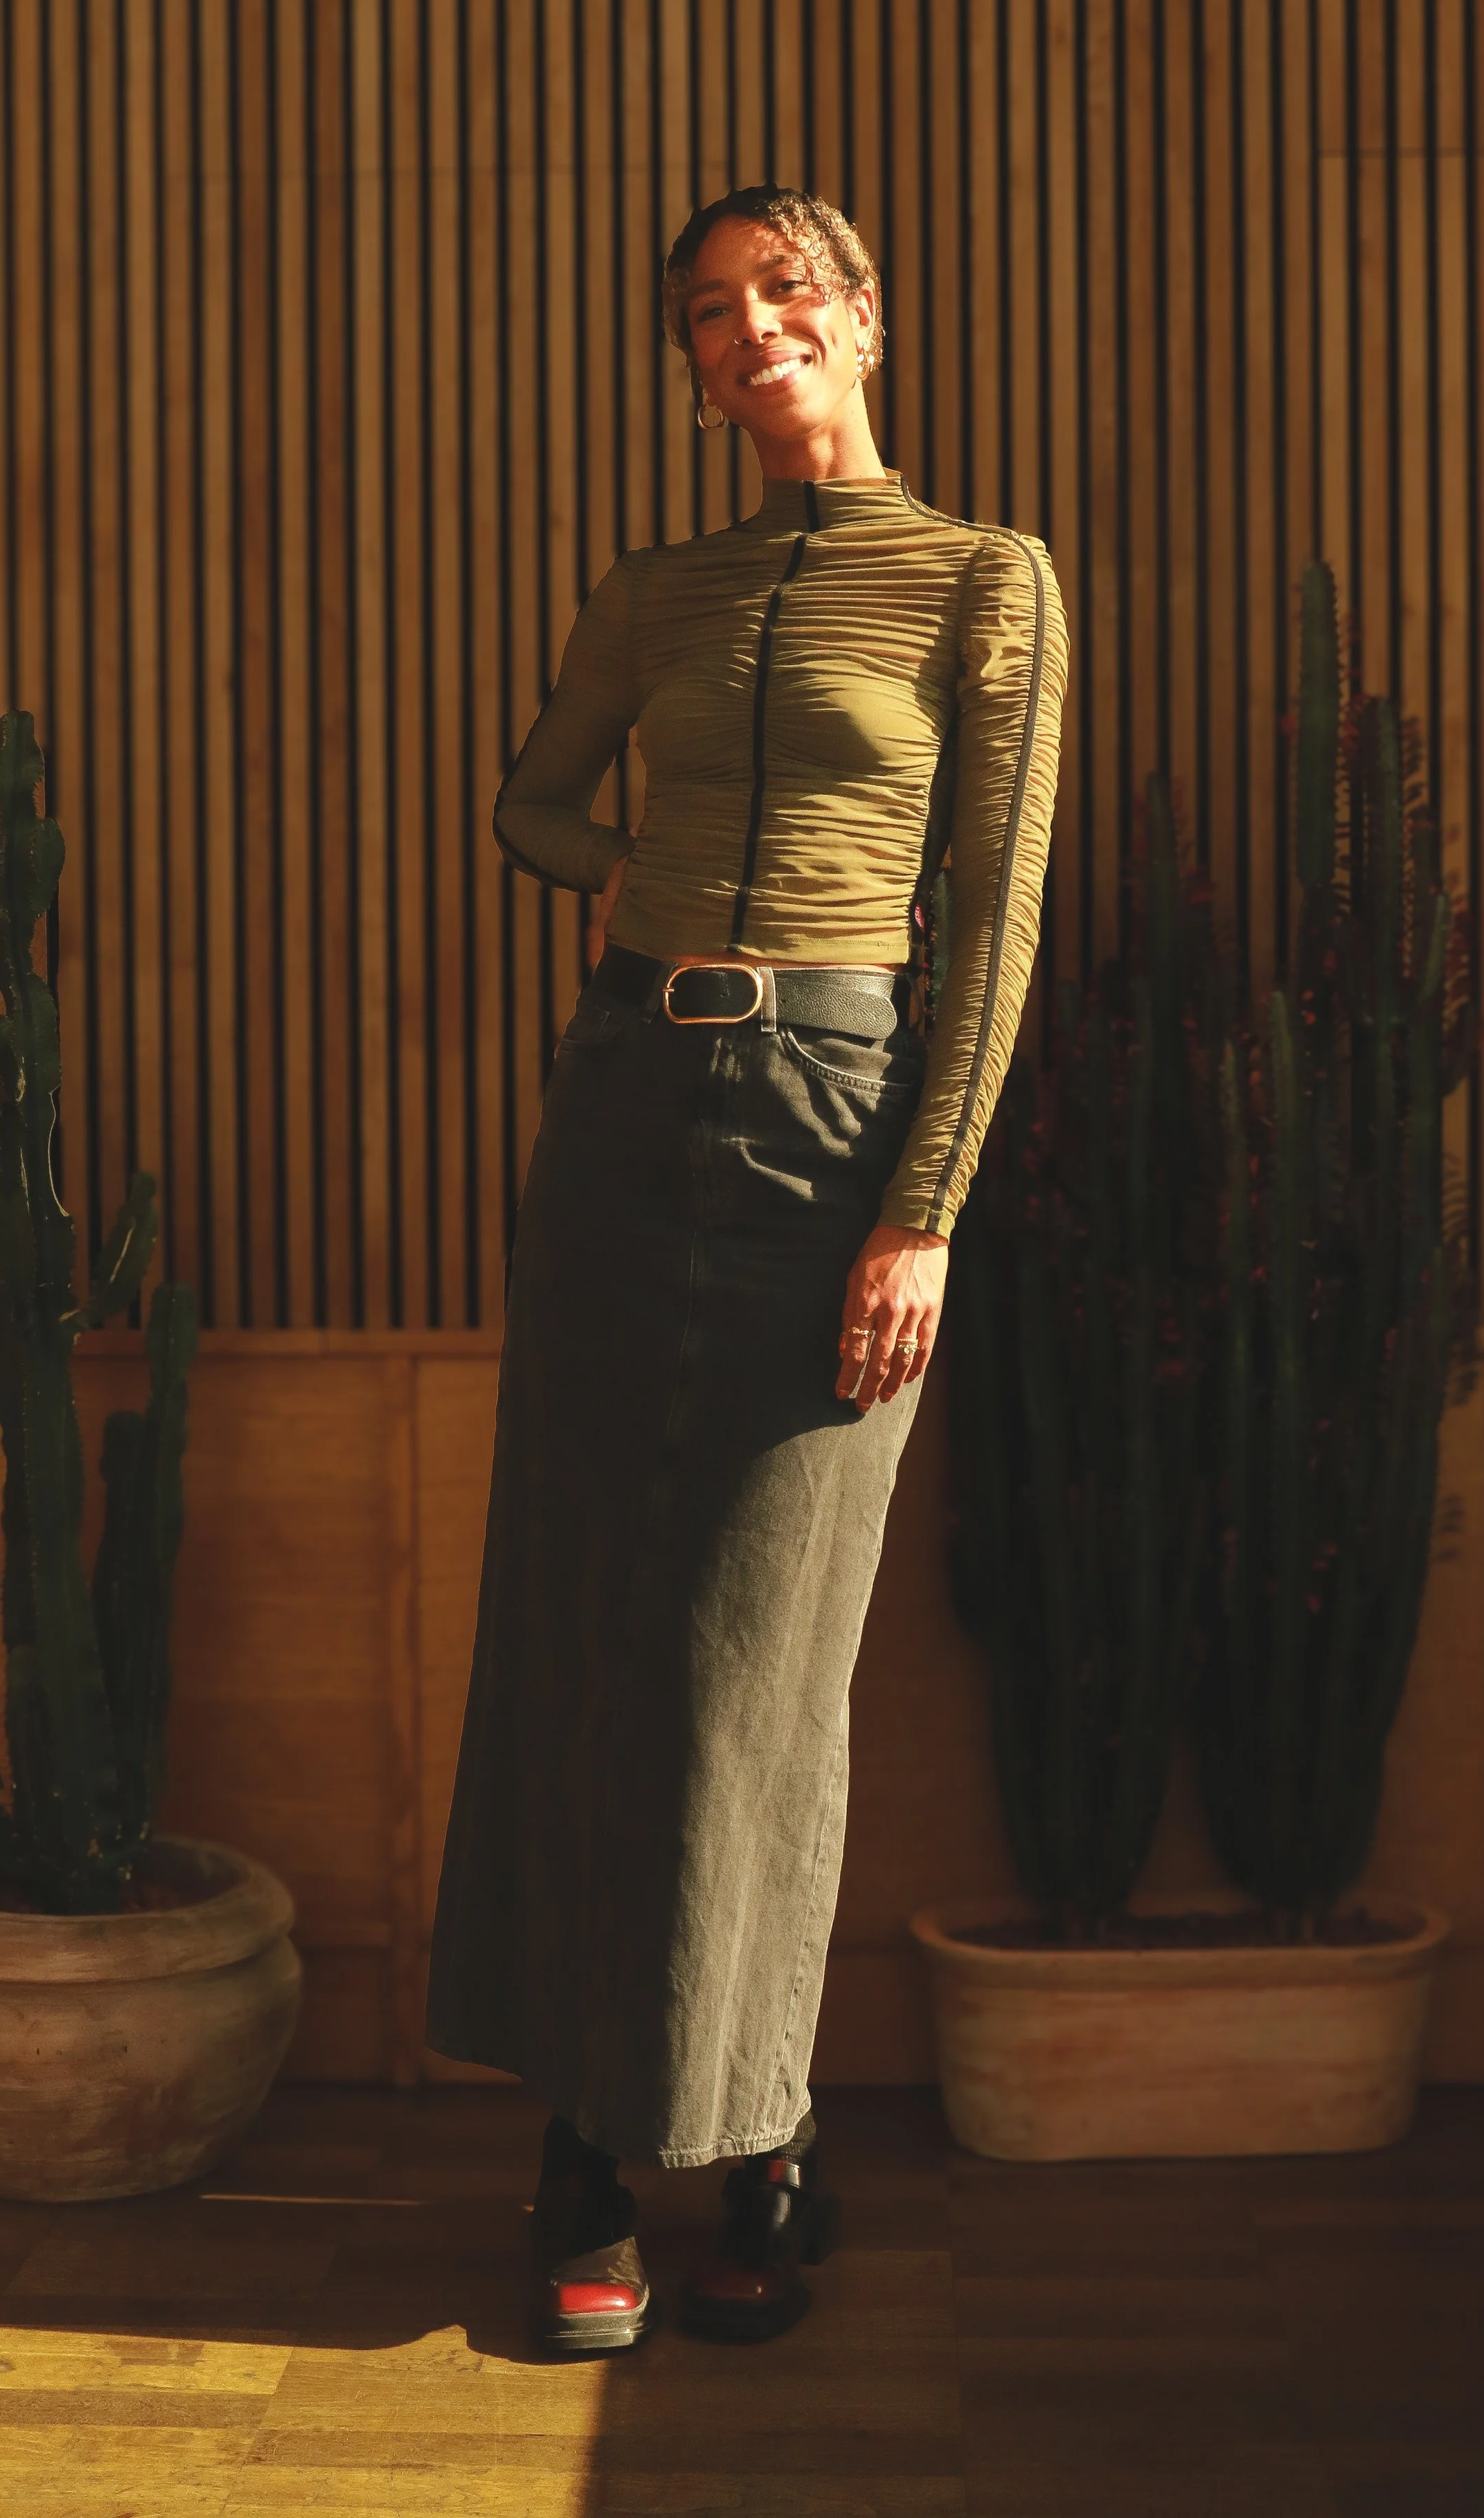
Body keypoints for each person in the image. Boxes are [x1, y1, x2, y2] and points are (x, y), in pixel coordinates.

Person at [427, 184, 1069, 2352]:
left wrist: (926, 1206)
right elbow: (526, 804)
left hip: (834, 1116)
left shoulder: (982, 579)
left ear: (864, 318)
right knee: (584, 1619)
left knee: (752, 1658)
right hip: (624, 1111)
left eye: (784, 289)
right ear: (695, 372)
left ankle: (755, 2126)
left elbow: (995, 910)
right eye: (709, 312)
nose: (748, 327)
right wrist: (640, 876)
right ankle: (588, 2146)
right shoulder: (661, 591)